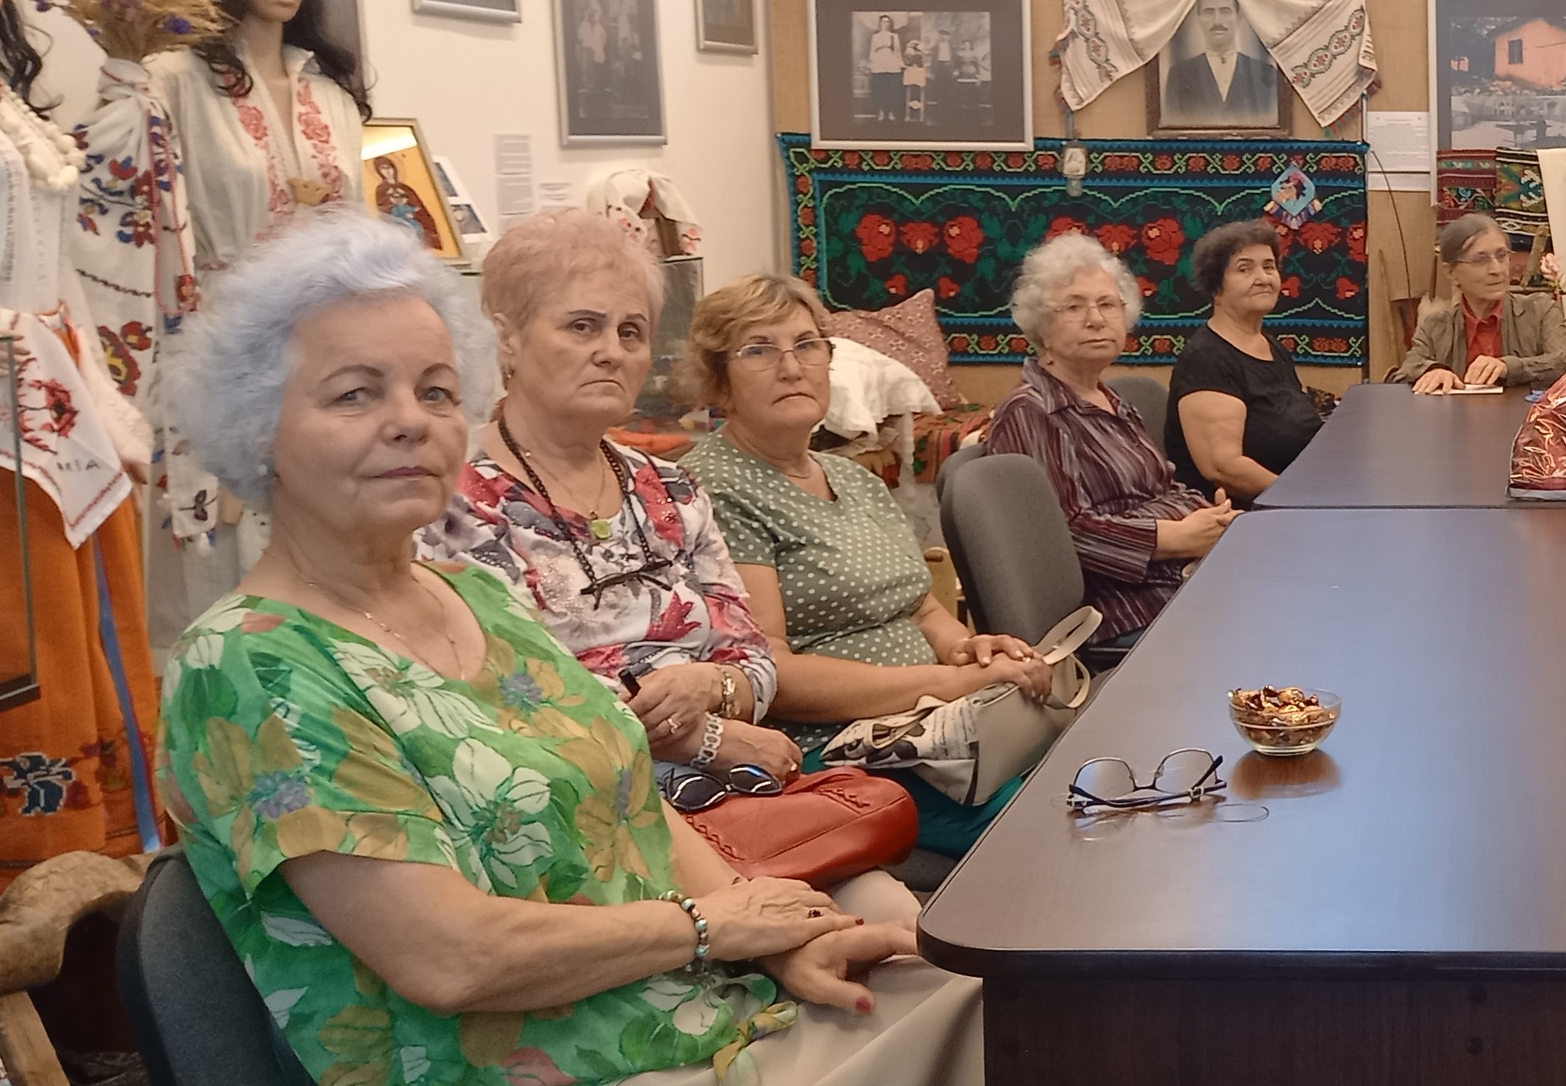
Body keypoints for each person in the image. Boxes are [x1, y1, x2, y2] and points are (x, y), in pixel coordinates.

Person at [157, 213, 979, 1086]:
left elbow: (634, 793)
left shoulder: (473, 597)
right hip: (552, 1062)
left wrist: (771, 939)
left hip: (689, 1005)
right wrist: (717, 926)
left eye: (436, 391)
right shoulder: (251, 662)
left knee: (970, 991)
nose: (409, 422)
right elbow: (451, 956)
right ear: (256, 427)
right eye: (355, 394)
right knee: (989, 1019)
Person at [415, 210, 797, 814]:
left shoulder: (674, 489)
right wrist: (701, 738)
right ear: (508, 338)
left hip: (733, 786)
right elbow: (500, 697)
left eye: (631, 332)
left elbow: (755, 660)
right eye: (583, 326)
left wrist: (710, 685)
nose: (612, 352)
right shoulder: (450, 502)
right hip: (563, 806)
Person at [0, 0, 162, 895]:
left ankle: (102, 862)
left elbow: (61, 264)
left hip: (50, 385)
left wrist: (106, 403)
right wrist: (9, 344)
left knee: (85, 625)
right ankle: (2, 867)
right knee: (3, 628)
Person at [677, 272, 1051, 853]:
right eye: (759, 350)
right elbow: (770, 672)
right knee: (1048, 826)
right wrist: (948, 683)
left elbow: (921, 609)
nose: (791, 367)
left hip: (934, 728)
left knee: (1084, 777)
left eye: (807, 345)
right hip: (839, 753)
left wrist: (970, 649)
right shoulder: (714, 489)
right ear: (717, 382)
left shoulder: (852, 477)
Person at [982, 232, 1235, 663]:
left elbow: (1160, 488)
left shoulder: (1111, 399)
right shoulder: (1032, 412)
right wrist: (1174, 537)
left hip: (1181, 578)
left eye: (1107, 304)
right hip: (1125, 611)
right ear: (1042, 325)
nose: (1096, 319)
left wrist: (1214, 520)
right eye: (1074, 307)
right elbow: (1065, 534)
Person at [154, 0, 374, 283]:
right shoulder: (172, 81)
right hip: (220, 314)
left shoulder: (331, 95)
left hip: (328, 313)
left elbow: (359, 228)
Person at [1168, 219, 1324, 500]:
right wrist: (1306, 497)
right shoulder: (1207, 359)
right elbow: (1225, 469)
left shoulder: (1272, 346)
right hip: (1242, 513)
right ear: (1216, 288)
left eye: (1269, 267)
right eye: (1244, 269)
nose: (1263, 278)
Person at [1390, 213, 1566, 395]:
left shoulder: (1539, 310)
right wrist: (1432, 370)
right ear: (1451, 272)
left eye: (1501, 256)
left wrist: (1509, 367)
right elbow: (1405, 373)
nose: (1497, 269)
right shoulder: (1435, 326)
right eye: (1480, 260)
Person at [1163, 0, 1276, 123]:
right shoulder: (1178, 76)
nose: (1217, 21)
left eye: (1225, 11)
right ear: (1199, 18)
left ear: (1238, 17)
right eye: (1209, 12)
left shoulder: (1265, 73)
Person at [863, 14, 902, 121]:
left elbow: (897, 52)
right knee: (880, 89)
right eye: (883, 21)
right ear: (880, 23)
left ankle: (891, 112)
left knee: (891, 89)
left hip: (891, 63)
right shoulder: (875, 36)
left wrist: (900, 64)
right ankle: (881, 112)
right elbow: (872, 52)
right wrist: (870, 64)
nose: (885, 24)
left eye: (887, 22)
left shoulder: (894, 36)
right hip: (879, 64)